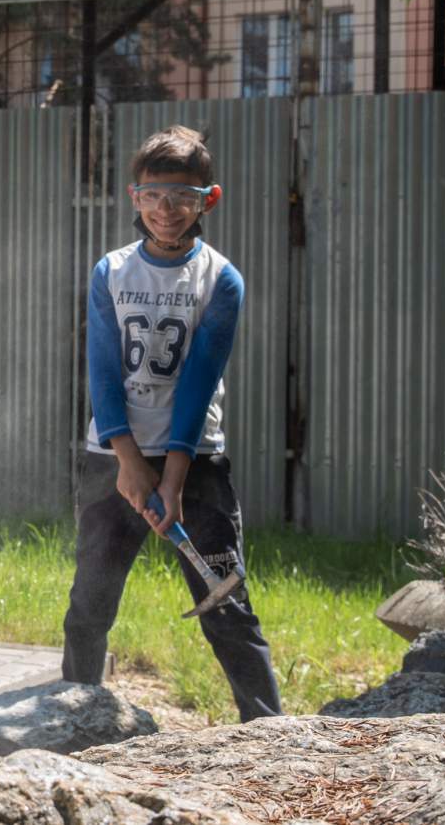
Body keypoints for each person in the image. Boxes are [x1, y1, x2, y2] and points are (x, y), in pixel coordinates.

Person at [61, 126, 283, 721]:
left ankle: (271, 735)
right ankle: (73, 718)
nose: (166, 210)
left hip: (197, 460)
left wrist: (173, 479)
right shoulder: (109, 272)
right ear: (134, 198)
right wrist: (130, 463)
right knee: (91, 603)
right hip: (113, 455)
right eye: (153, 196)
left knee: (228, 608)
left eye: (182, 198)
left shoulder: (221, 279)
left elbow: (199, 382)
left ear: (208, 199)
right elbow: (103, 373)